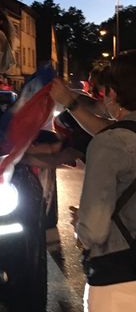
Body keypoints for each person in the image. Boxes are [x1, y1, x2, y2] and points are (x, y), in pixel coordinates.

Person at [70, 51, 136, 311]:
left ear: (113, 94)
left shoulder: (109, 144)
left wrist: (80, 226)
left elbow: (94, 231)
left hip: (119, 278)